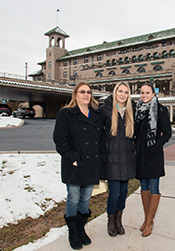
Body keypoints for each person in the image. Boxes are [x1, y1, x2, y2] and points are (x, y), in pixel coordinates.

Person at [53, 82, 104, 250]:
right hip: (74, 164)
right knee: (73, 197)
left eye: (88, 92)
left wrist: (100, 157)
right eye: (82, 91)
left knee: (86, 198)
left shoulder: (96, 115)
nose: (86, 94)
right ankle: (72, 231)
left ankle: (81, 228)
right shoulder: (66, 114)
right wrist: (73, 158)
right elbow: (60, 140)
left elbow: (102, 139)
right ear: (75, 95)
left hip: (91, 164)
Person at [134, 82, 172, 237]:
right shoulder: (137, 110)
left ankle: (150, 222)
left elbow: (167, 133)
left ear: (153, 94)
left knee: (154, 187)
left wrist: (155, 146)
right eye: (142, 92)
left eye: (147, 93)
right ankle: (146, 218)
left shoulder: (161, 110)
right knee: (143, 187)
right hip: (141, 154)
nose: (144, 95)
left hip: (154, 154)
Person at [99, 82, 136, 237]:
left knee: (123, 192)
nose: (122, 94)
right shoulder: (105, 110)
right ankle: (111, 221)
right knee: (114, 193)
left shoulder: (131, 110)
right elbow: (98, 136)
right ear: (115, 93)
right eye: (120, 91)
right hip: (112, 158)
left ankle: (119, 220)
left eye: (126, 92)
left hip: (127, 158)